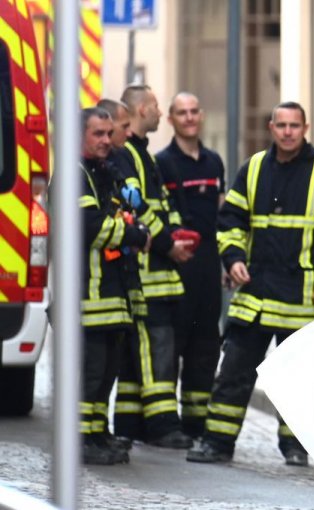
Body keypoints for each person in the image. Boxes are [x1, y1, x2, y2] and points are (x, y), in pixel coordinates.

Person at [187, 101, 314, 466]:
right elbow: (230, 221)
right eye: (282, 125)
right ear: (271, 127)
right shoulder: (254, 168)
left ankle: (295, 447)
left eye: (295, 125)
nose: (288, 132)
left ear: (305, 127)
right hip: (255, 291)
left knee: (299, 379)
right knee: (234, 372)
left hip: (302, 295)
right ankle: (217, 442)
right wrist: (233, 259)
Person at [114, 84, 196, 449]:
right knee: (157, 351)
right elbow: (138, 209)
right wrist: (169, 244)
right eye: (157, 106)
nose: (160, 113)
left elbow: (161, 205)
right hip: (148, 272)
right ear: (142, 109)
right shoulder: (130, 155)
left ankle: (130, 423)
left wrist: (178, 233)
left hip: (155, 273)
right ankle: (163, 425)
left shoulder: (141, 155)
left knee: (139, 357)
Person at [73, 107, 150, 464]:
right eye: (98, 134)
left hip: (112, 294)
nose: (106, 141)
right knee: (90, 373)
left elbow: (118, 216)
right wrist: (135, 234)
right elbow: (93, 227)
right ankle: (80, 439)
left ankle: (97, 434)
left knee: (106, 374)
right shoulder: (75, 175)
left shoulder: (104, 172)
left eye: (108, 134)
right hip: (87, 295)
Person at [155, 92, 226, 439]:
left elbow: (222, 214)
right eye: (181, 113)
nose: (189, 118)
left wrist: (228, 260)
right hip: (177, 265)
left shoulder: (214, 162)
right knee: (176, 342)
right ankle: (168, 422)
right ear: (170, 119)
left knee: (206, 343)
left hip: (209, 265)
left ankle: (196, 420)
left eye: (194, 111)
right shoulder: (163, 163)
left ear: (201, 116)